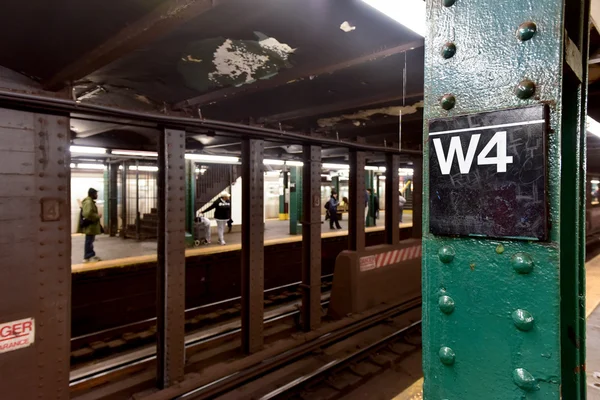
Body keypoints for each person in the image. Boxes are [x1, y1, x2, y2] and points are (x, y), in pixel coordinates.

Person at [78, 188, 102, 263]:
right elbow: (87, 214)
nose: (97, 195)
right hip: (90, 225)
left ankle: (90, 255)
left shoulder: (89, 201)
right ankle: (87, 257)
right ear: (92, 194)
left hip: (91, 225)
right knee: (89, 241)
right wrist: (97, 216)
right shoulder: (89, 202)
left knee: (90, 240)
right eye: (96, 194)